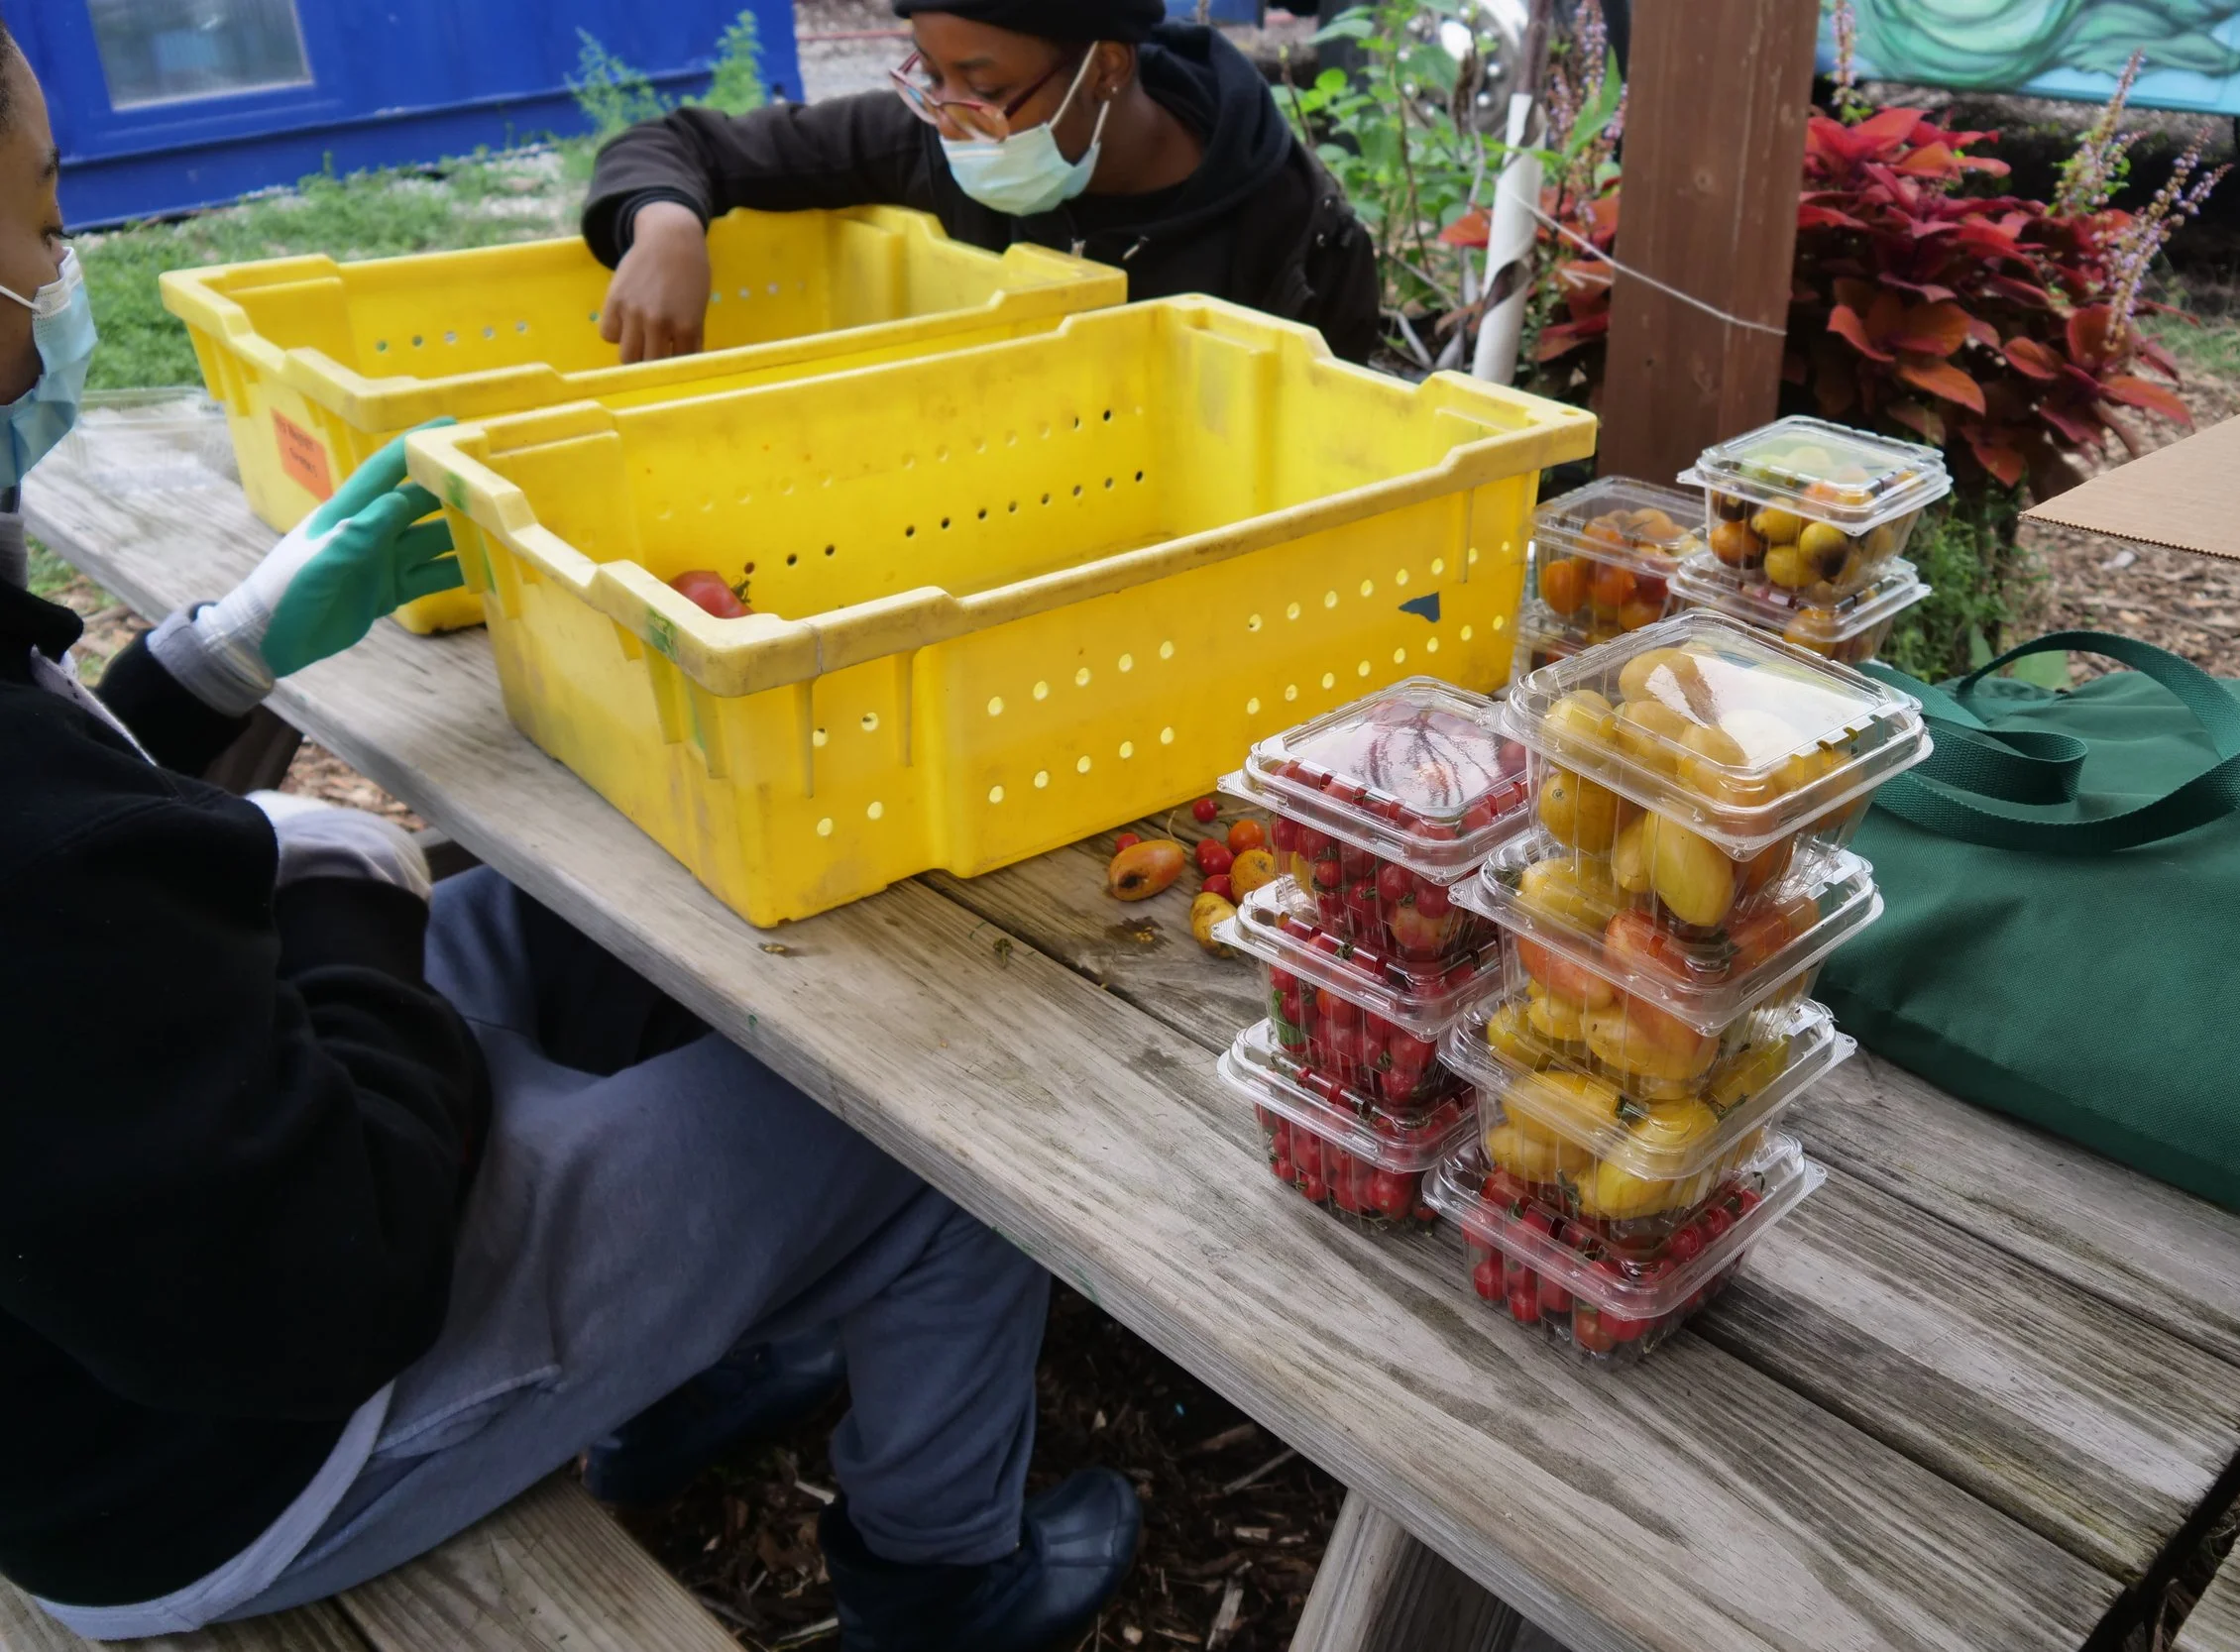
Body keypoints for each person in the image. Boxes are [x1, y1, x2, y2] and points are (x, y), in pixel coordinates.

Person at [0, 28, 1135, 1652]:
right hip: (217, 1454)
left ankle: (693, 1350)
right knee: (946, 1145)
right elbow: (336, 1272)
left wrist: (214, 662)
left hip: (151, 1268)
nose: (61, 273)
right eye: (42, 223)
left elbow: (72, 842)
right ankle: (946, 1578)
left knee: (570, 939)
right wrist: (341, 879)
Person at [587, 0, 1380, 365]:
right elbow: (683, 144)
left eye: (986, 85)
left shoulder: (1292, 226)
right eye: (931, 75)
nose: (952, 112)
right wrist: (665, 225)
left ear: (1105, 67)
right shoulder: (929, 141)